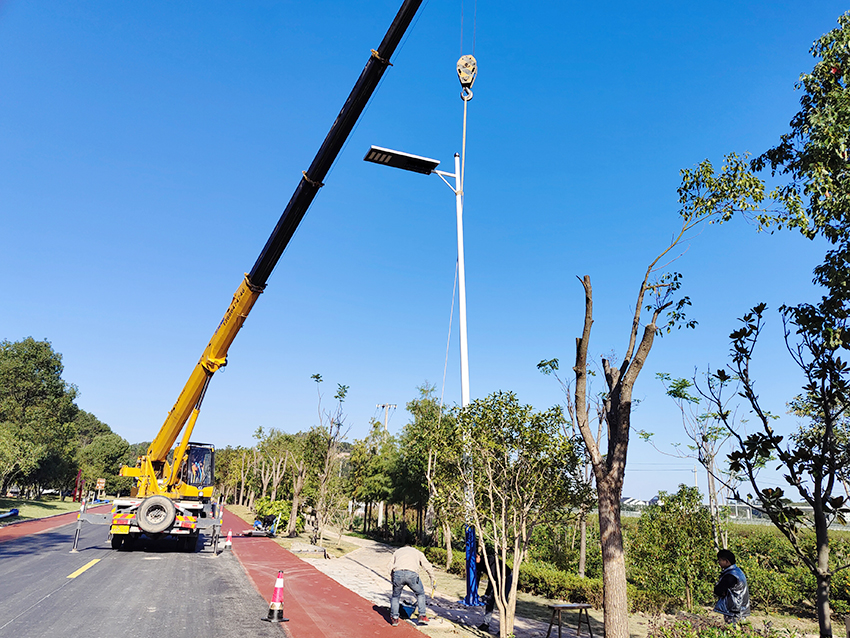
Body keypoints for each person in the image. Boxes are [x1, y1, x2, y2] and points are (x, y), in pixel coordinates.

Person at [387, 545, 435, 627]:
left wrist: (393, 579)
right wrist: (432, 578)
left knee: (395, 596)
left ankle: (394, 618)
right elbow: (426, 565)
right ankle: (422, 616)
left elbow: (389, 566)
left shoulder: (397, 551)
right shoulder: (417, 552)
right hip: (411, 574)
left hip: (397, 574)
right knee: (420, 594)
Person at [478, 553, 513, 633]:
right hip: (496, 578)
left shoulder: (490, 560)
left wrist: (487, 593)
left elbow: (493, 579)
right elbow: (477, 577)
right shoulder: (478, 564)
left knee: (503, 601)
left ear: (478, 556)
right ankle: (486, 624)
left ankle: (504, 628)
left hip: (506, 576)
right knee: (490, 600)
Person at [714, 549, 750, 624]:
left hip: (734, 609)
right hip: (741, 608)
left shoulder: (731, 575)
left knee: (732, 630)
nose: (719, 562)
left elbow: (718, 590)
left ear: (727, 561)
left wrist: (721, 591)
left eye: (720, 560)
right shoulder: (738, 571)